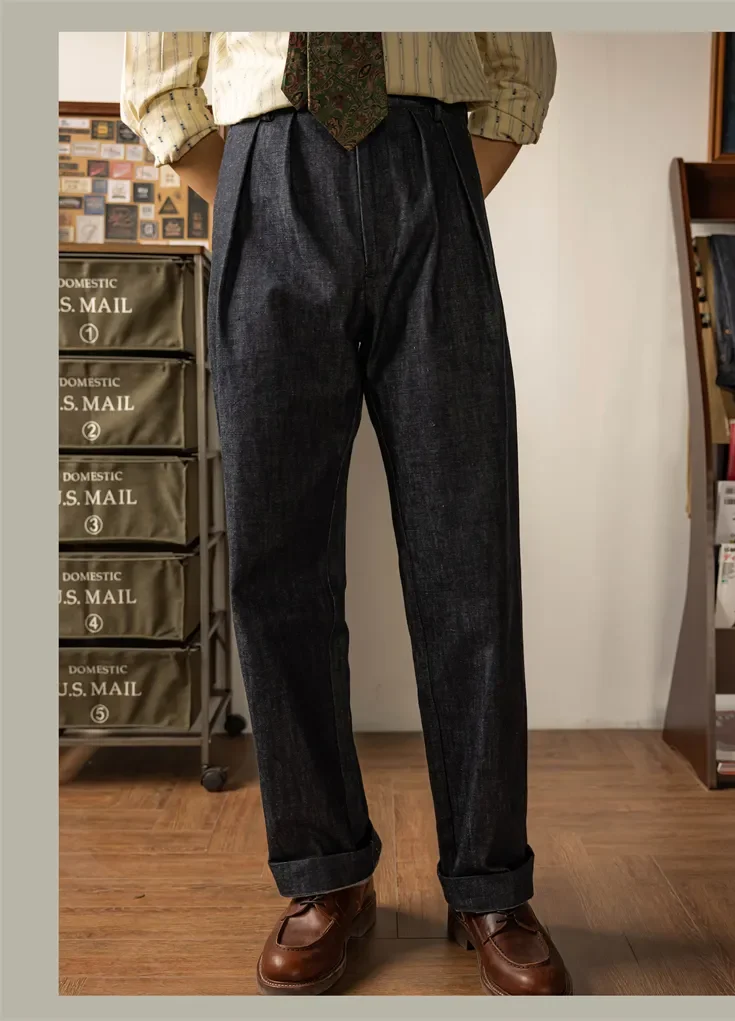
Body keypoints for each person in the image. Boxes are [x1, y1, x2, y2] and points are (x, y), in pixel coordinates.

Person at [121, 31, 570, 997]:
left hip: (430, 163)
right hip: (264, 166)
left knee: (469, 551)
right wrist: (258, 196)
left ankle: (489, 882)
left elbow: (517, 66)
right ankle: (323, 874)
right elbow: (160, 75)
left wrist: (437, 186)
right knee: (278, 561)